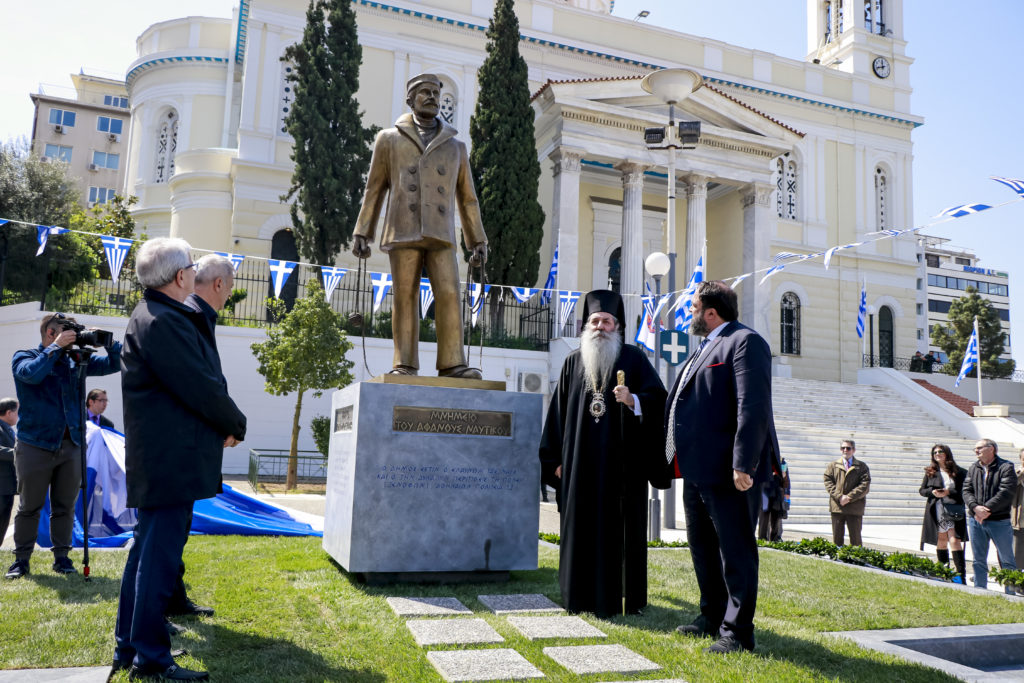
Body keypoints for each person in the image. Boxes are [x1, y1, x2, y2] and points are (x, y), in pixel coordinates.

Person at [112, 238, 246, 682]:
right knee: (157, 559)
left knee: (146, 555)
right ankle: (151, 657)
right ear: (179, 277)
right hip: (168, 462)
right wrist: (235, 422)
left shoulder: (155, 315)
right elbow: (201, 387)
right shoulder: (162, 321)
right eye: (190, 266)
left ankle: (130, 645)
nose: (193, 272)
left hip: (162, 460)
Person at [664, 280, 780, 655]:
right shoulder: (704, 346)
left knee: (735, 551)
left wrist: (744, 462)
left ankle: (737, 631)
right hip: (697, 470)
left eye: (694, 308)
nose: (691, 315)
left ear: (711, 312)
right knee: (703, 548)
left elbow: (753, 405)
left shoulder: (745, 342)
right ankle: (711, 616)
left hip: (730, 472)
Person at [538, 290, 667, 618]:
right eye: (594, 321)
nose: (600, 327)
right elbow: (556, 417)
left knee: (619, 533)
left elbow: (659, 400)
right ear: (586, 325)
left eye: (607, 321)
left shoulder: (634, 359)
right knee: (580, 530)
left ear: (618, 325)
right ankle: (577, 597)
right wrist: (554, 462)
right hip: (579, 468)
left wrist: (633, 400)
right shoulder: (572, 362)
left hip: (622, 471)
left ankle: (625, 599)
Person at [352, 73, 488, 379]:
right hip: (404, 228)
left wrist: (477, 239)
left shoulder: (456, 147)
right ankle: (404, 364)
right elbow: (374, 188)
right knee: (404, 295)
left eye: (436, 93)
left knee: (450, 293)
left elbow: (468, 199)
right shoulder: (389, 139)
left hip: (441, 232)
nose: (431, 98)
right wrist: (363, 230)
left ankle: (453, 364)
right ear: (410, 100)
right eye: (424, 92)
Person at [5, 313, 121, 580]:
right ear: (50, 333)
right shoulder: (25, 356)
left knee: (65, 506)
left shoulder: (75, 361)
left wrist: (108, 343)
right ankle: (21, 560)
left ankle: (62, 558)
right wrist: (56, 348)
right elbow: (30, 376)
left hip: (71, 445)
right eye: (68, 331)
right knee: (29, 506)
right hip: (35, 444)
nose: (74, 336)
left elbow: (114, 364)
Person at [163, 253, 236, 623]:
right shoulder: (188, 318)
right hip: (178, 446)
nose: (229, 296)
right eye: (230, 288)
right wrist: (232, 422)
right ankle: (157, 611)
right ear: (220, 284)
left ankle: (173, 598)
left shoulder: (197, 317)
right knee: (163, 538)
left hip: (190, 441)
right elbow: (200, 386)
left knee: (176, 533)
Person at [962, 438, 1017, 593]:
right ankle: (980, 590)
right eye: (975, 448)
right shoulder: (974, 468)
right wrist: (975, 508)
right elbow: (966, 490)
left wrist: (986, 509)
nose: (976, 451)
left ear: (991, 448)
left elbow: (1006, 492)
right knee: (978, 560)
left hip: (999, 521)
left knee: (1007, 560)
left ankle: (1011, 592)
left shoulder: (1006, 467)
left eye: (979, 448)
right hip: (976, 521)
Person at [918, 444, 969, 583]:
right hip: (937, 508)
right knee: (941, 540)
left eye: (940, 451)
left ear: (947, 453)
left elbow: (965, 492)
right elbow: (922, 490)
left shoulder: (960, 472)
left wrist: (948, 492)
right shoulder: (931, 472)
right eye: (935, 452)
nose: (937, 454)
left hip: (954, 509)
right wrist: (932, 492)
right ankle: (943, 572)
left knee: (955, 540)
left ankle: (960, 574)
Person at [823, 440, 870, 546]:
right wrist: (839, 497)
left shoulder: (862, 467)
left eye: (848, 448)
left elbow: (865, 485)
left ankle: (856, 560)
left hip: (855, 508)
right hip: (837, 507)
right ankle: (837, 560)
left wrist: (849, 497)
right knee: (837, 539)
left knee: (856, 540)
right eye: (843, 448)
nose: (845, 450)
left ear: (853, 450)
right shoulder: (833, 466)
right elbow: (828, 482)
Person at [758, 456, 790, 542]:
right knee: (764, 517)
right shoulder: (763, 461)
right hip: (765, 493)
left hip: (778, 494)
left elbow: (786, 483)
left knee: (776, 518)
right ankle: (762, 538)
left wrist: (784, 476)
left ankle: (775, 539)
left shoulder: (783, 464)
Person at [0, 398, 18, 547]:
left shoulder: (7, 428)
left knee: (4, 521)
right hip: (1, 485)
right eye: (17, 412)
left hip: (8, 486)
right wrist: (19, 453)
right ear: (8, 412)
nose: (18, 416)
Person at [1011, 447, 1024, 595]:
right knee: (1018, 555)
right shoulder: (1016, 474)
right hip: (1019, 522)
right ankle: (1017, 585)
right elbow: (1010, 487)